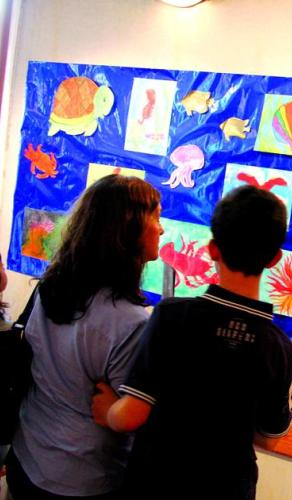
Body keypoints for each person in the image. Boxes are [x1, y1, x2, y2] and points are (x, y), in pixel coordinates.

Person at [93, 185, 292, 500]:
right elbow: (270, 438)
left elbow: (131, 415)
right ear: (274, 259)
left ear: (212, 249)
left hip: (157, 481)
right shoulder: (280, 348)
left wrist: (108, 411)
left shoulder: (172, 316)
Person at [5, 175, 163, 500]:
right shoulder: (130, 322)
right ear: (127, 229)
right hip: (83, 477)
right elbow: (135, 416)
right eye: (156, 217)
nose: (161, 230)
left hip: (28, 456)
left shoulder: (50, 286)